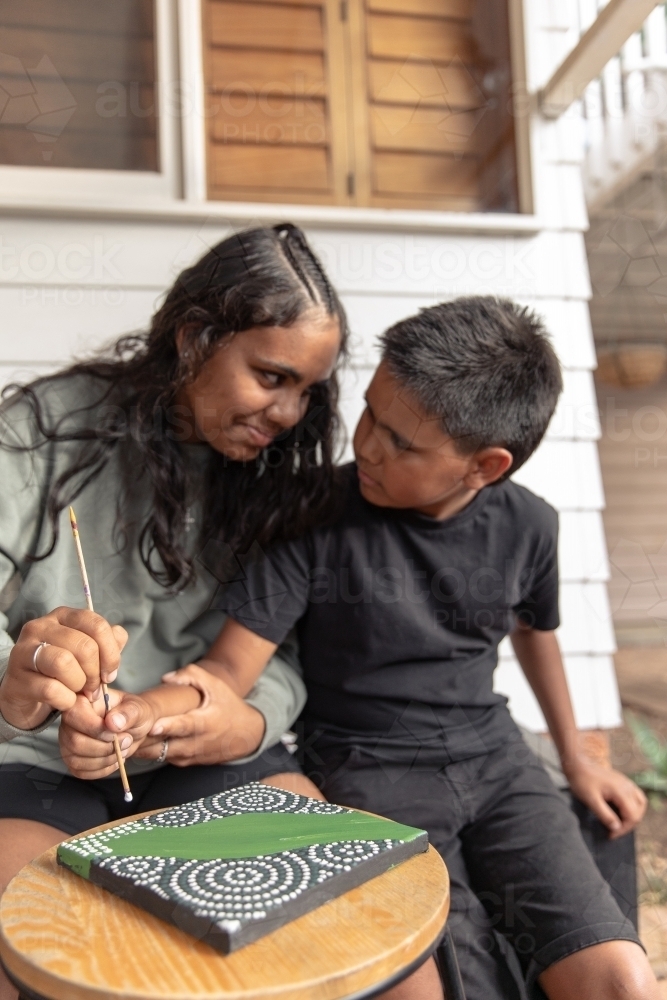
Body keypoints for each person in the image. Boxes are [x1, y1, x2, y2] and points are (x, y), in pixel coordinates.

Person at [100, 298, 658, 1000]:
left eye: (401, 442)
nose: (365, 444)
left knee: (619, 977)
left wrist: (576, 755)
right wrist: (142, 712)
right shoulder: (310, 513)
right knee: (454, 979)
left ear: (483, 466)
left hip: (494, 762)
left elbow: (533, 631)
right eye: (369, 414)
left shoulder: (529, 524)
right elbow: (226, 670)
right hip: (368, 772)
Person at [0, 223, 346, 1000]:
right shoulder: (40, 435)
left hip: (202, 759)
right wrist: (17, 677)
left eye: (307, 390)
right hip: (27, 766)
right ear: (194, 338)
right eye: (270, 376)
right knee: (49, 939)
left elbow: (285, 655)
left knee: (343, 914)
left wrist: (243, 720)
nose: (289, 412)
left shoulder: (276, 476)